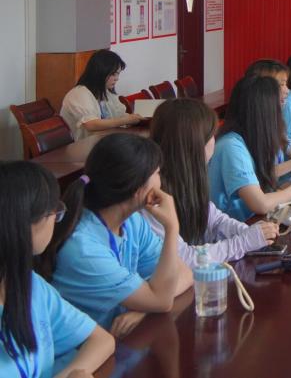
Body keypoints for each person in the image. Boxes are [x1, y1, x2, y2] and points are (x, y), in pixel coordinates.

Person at [39, 134, 193, 333]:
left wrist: (145, 309)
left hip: (118, 339)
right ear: (137, 187)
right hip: (86, 347)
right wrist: (172, 227)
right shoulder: (83, 249)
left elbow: (184, 273)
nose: (161, 179)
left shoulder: (132, 221)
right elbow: (162, 300)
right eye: (157, 173)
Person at [0, 161, 114, 378]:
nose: (56, 220)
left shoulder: (29, 283)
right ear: (24, 225)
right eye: (53, 213)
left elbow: (101, 340)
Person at [145, 99, 276, 267]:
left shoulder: (186, 179)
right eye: (211, 135)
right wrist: (244, 242)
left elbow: (216, 221)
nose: (215, 140)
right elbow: (184, 259)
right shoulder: (154, 196)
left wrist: (250, 232)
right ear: (193, 144)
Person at [208, 76, 291, 221]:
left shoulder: (252, 137)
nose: (280, 115)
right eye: (278, 107)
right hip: (238, 226)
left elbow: (262, 178)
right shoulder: (231, 145)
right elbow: (260, 204)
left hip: (253, 221)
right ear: (263, 111)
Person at [59, 49, 143, 141]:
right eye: (113, 74)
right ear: (100, 72)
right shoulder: (79, 93)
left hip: (101, 141)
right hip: (81, 146)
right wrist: (125, 120)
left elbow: (118, 115)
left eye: (118, 74)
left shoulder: (105, 91)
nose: (117, 78)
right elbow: (91, 124)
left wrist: (133, 119)